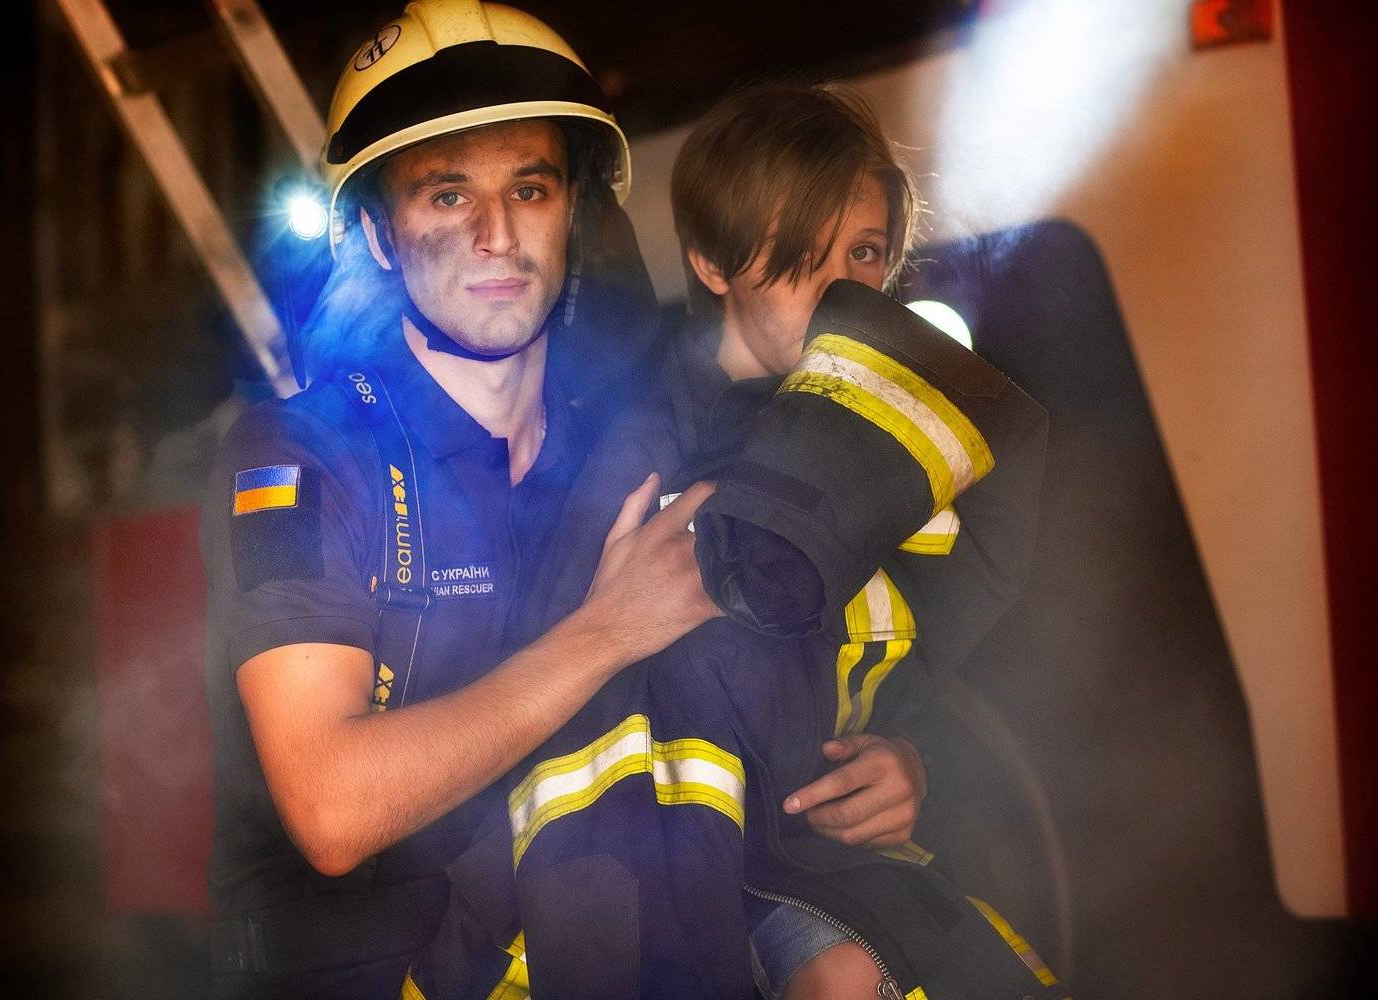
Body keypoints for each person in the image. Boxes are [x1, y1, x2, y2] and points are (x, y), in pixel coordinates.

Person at [200, 6, 925, 997]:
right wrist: (608, 630)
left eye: (529, 188)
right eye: (447, 194)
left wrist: (903, 766)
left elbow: (748, 727)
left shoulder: (630, 448)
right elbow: (333, 810)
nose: (496, 234)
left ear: (573, 212)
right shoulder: (303, 455)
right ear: (377, 233)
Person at [405, 84, 1061, 1000]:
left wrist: (914, 763)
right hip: (630, 869)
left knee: (856, 977)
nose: (839, 292)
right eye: (799, 255)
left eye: (865, 254)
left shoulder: (897, 448)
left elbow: (941, 669)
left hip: (808, 851)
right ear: (712, 263)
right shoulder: (615, 446)